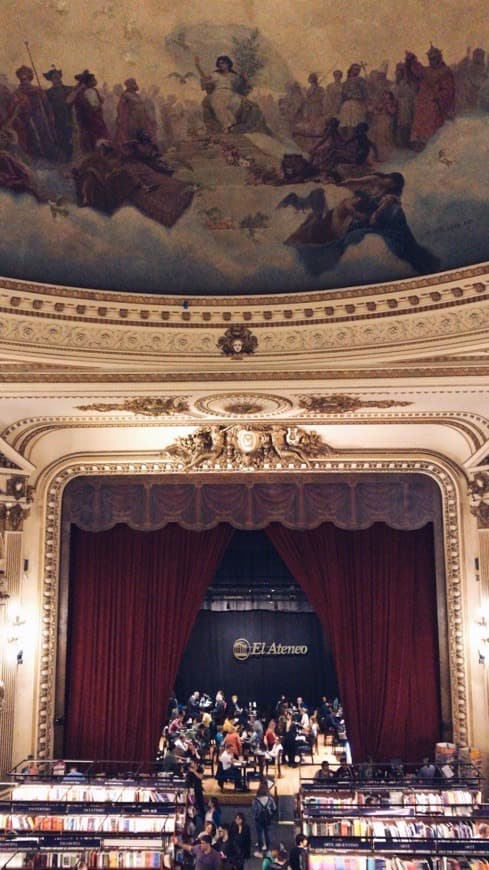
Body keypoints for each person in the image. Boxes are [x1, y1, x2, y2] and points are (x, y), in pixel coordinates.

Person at [405, 45, 455, 150]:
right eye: (430, 59)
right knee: (419, 124)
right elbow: (417, 70)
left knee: (431, 126)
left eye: (434, 58)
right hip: (422, 103)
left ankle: (429, 145)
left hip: (434, 103)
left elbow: (448, 90)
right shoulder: (426, 70)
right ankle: (417, 143)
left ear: (439, 58)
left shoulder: (445, 71)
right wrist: (412, 60)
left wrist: (438, 97)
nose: (432, 61)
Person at [68, 69, 109, 154]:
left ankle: (99, 152)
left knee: (98, 135)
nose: (95, 81)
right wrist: (97, 107)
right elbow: (93, 106)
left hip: (95, 117)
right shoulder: (86, 91)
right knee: (94, 135)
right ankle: (95, 153)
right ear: (88, 82)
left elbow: (101, 100)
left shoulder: (93, 90)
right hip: (91, 118)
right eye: (93, 80)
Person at [42, 66, 74, 162]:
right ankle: (60, 158)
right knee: (58, 138)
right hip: (55, 118)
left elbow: (72, 97)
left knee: (68, 137)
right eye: (54, 77)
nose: (57, 79)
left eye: (58, 76)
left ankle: (68, 159)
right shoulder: (48, 92)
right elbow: (45, 105)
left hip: (67, 117)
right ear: (51, 80)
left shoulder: (67, 89)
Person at [252, 781, 276, 856]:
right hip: (267, 818)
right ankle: (268, 850)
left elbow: (254, 810)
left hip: (259, 819)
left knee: (259, 834)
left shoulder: (255, 801)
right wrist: (271, 815)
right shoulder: (270, 799)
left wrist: (255, 817)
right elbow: (274, 808)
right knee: (267, 833)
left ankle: (260, 851)